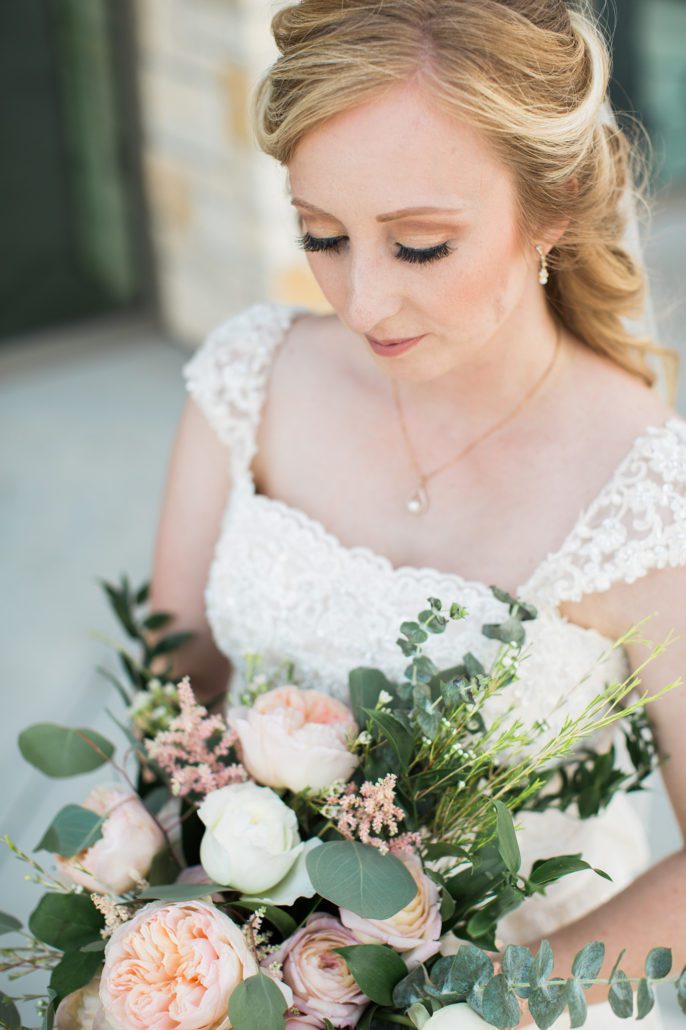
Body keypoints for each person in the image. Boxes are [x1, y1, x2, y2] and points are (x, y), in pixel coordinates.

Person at [149, 1, 686, 1025]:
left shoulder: (642, 491)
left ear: (556, 201)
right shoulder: (246, 379)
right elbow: (173, 695)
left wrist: (466, 1002)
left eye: (421, 246)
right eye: (321, 235)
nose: (362, 304)